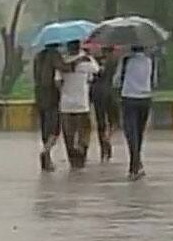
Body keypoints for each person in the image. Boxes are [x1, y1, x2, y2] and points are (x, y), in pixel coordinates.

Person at [114, 46, 155, 181]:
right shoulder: (150, 60)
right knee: (139, 133)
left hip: (129, 99)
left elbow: (116, 80)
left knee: (131, 134)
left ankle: (134, 166)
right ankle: (137, 164)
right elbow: (154, 81)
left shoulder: (126, 60)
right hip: (145, 99)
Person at [59, 40, 100, 169]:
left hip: (66, 105)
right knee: (85, 131)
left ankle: (72, 159)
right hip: (82, 104)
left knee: (68, 134)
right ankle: (82, 155)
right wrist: (88, 57)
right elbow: (96, 70)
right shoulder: (86, 62)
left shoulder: (62, 63)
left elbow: (57, 82)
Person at [34, 43, 63, 172]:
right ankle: (46, 151)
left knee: (45, 128)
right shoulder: (54, 55)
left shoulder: (38, 57)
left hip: (40, 96)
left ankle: (47, 159)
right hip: (52, 97)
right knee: (55, 129)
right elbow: (64, 68)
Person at [91, 46, 120, 162]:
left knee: (101, 122)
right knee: (115, 121)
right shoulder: (116, 61)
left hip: (97, 92)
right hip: (111, 92)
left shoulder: (94, 61)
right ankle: (108, 137)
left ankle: (103, 149)